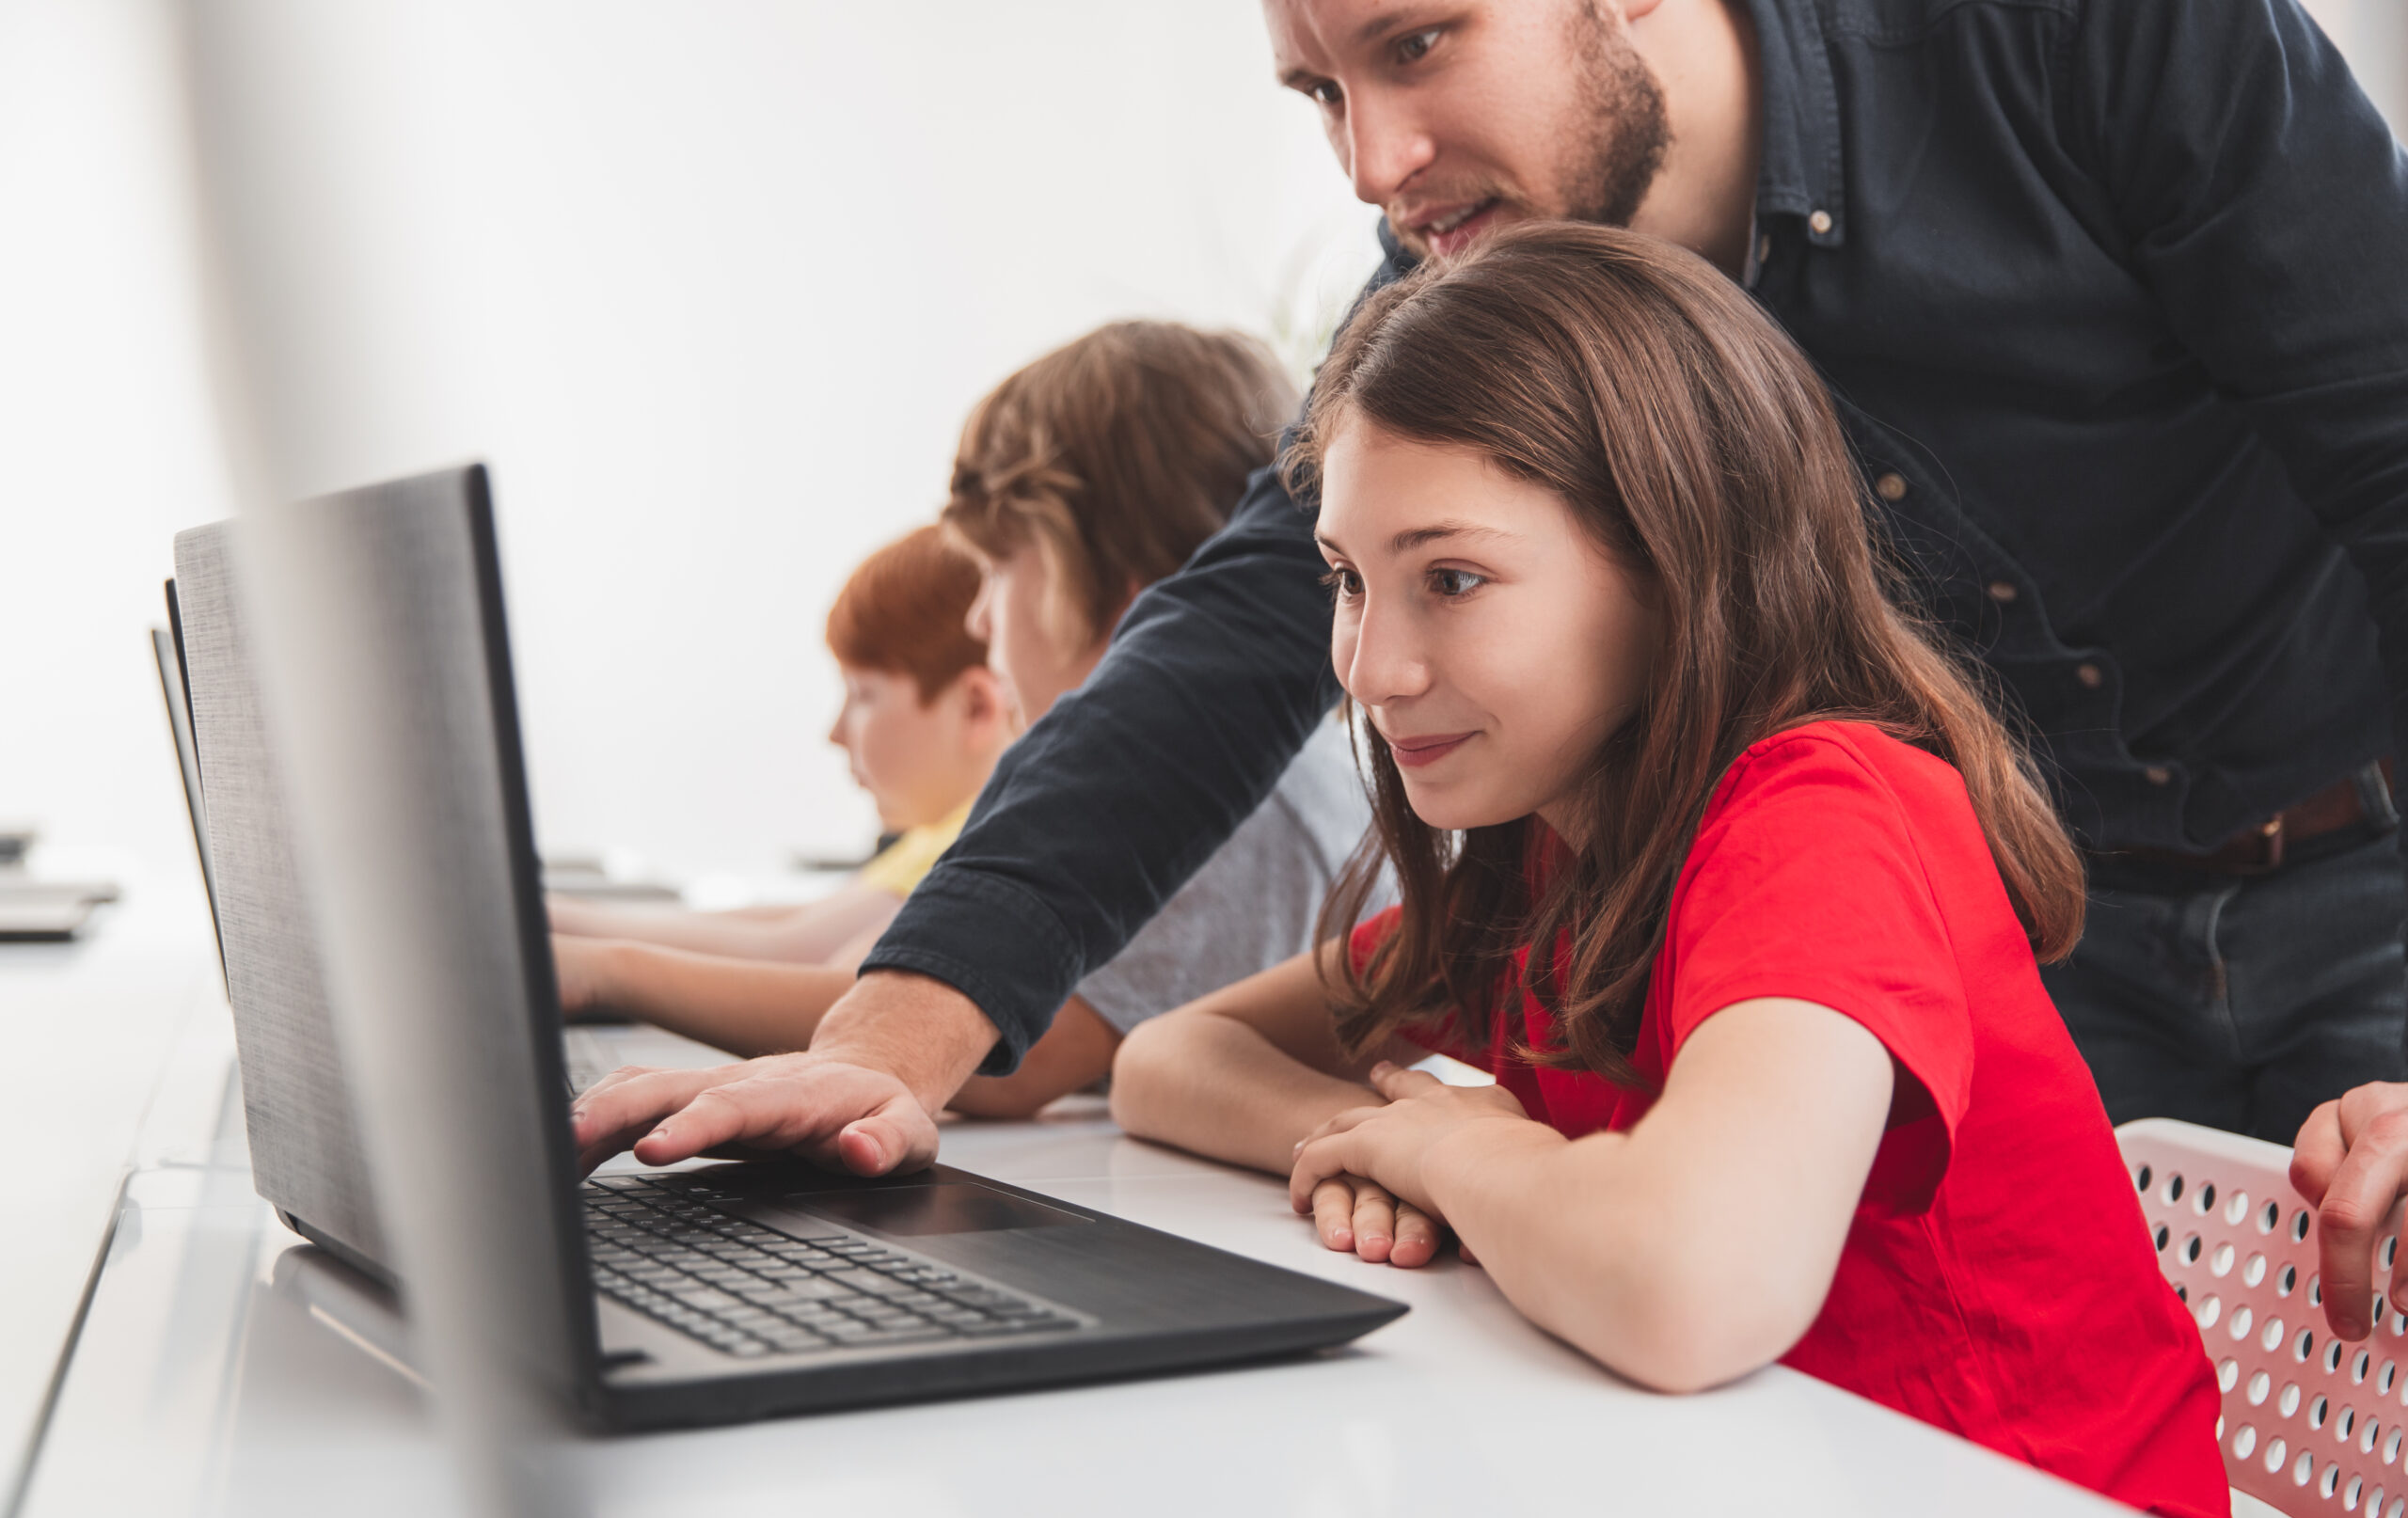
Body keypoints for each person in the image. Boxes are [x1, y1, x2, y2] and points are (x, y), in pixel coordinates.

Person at [570, 0, 2408, 1186]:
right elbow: (1222, 636)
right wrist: (887, 1044)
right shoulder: (1478, 267)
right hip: (2005, 956)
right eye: (1317, 94)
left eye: (1417, 45)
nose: (1373, 167)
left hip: (2361, 876)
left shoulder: (2091, 37)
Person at [1108, 223, 2232, 1518]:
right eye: (1350, 582)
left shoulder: (1821, 814)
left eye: (1452, 580)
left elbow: (1695, 1286)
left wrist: (1473, 1155)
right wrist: (1396, 1151)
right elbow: (1173, 1059)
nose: (1370, 665)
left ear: (1672, 560)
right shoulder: (1553, 850)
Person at [562, 321, 1372, 1125]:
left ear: (1120, 587)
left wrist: (608, 972)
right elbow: (863, 963)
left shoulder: (1222, 789)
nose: (980, 621)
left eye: (995, 570)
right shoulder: (1138, 778)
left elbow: (1008, 1063)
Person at [550, 525, 1012, 970]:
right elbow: (797, 923)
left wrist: (584, 946)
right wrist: (569, 923)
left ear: (975, 709)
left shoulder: (976, 841)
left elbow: (792, 953)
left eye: (864, 694)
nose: (834, 733)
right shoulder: (938, 834)